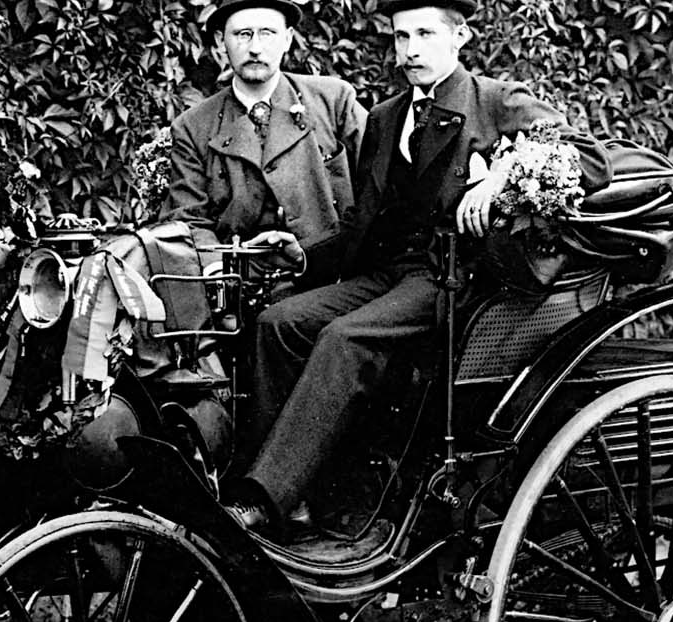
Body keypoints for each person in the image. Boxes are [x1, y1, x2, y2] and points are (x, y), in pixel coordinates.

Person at [226, 0, 612, 533]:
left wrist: (502, 175)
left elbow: (589, 159)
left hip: (459, 280)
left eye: (425, 34)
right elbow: (364, 221)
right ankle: (299, 496)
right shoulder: (386, 118)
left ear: (460, 37)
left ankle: (264, 500)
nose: (410, 50)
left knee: (345, 338)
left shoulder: (495, 100)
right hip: (391, 272)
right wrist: (306, 256)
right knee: (280, 323)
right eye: (401, 37)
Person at [161, 0, 367, 287]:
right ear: (221, 41)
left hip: (333, 276)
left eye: (267, 33)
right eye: (242, 34)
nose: (255, 47)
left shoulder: (334, 101)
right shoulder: (193, 126)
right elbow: (187, 219)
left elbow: (380, 189)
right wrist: (219, 272)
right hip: (239, 282)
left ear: (288, 39)